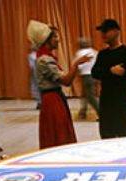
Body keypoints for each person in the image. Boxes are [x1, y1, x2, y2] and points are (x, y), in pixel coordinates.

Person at [27, 20, 91, 149]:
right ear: (47, 40)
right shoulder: (45, 60)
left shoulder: (46, 58)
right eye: (55, 37)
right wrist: (76, 64)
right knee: (58, 133)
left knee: (56, 132)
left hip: (54, 98)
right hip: (52, 100)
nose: (58, 40)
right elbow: (66, 81)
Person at [91, 19, 126, 139]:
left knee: (124, 136)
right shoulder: (102, 54)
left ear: (116, 32)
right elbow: (95, 72)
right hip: (106, 101)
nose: (103, 34)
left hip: (121, 101)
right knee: (106, 135)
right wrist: (110, 71)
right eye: (102, 32)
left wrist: (110, 72)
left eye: (106, 31)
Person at [74, 38, 99, 120]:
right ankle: (82, 112)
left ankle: (101, 112)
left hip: (86, 76)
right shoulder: (94, 52)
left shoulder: (80, 53)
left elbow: (77, 65)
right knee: (85, 94)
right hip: (94, 75)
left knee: (90, 96)